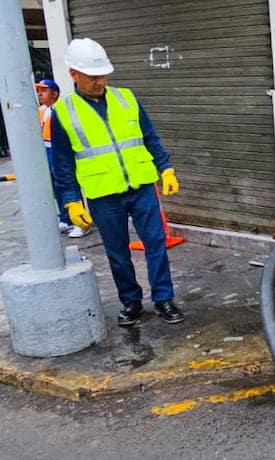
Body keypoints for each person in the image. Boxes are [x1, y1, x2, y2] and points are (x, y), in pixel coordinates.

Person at [51, 37, 184, 326]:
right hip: (103, 194)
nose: (100, 81)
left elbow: (150, 138)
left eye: (103, 75)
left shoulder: (126, 98)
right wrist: (71, 202)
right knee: (117, 252)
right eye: (93, 76)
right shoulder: (63, 113)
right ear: (73, 74)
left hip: (141, 187)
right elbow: (62, 165)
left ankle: (163, 298)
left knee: (156, 243)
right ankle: (131, 301)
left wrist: (166, 169)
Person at [36, 79, 85, 237]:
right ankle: (66, 218)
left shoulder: (62, 110)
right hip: (47, 150)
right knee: (57, 187)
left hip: (60, 151)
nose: (40, 94)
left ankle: (81, 222)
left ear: (54, 93)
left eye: (44, 90)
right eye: (39, 91)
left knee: (68, 185)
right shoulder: (42, 111)